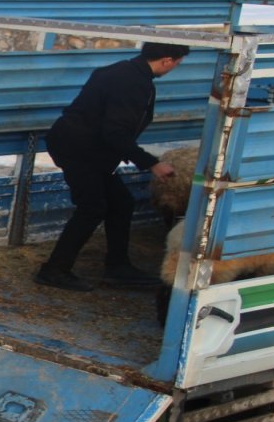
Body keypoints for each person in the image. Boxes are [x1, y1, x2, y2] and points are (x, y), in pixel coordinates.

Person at [34, 42, 189, 292]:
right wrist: (152, 163)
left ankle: (118, 267)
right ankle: (54, 270)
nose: (175, 68)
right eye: (178, 64)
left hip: (86, 148)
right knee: (92, 207)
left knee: (121, 203)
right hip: (81, 149)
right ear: (168, 60)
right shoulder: (134, 83)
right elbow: (115, 132)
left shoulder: (121, 70)